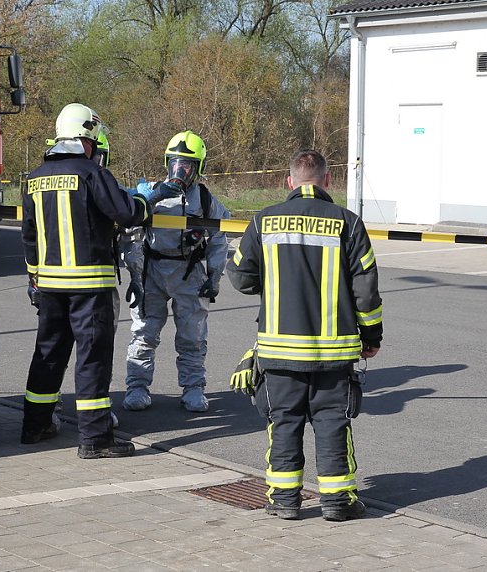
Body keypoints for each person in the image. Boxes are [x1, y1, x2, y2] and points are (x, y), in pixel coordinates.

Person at [226, 149, 383, 521]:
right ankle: (337, 502)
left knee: (283, 422)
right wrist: (371, 337)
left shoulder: (264, 221)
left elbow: (240, 277)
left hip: (278, 349)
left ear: (289, 181)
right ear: (328, 181)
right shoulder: (348, 222)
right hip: (335, 351)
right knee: (332, 421)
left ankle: (283, 500)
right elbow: (367, 291)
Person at [21, 103, 179, 458]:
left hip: (48, 286)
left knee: (48, 354)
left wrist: (33, 277)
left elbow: (29, 236)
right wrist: (145, 197)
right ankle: (95, 439)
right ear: (86, 137)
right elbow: (128, 214)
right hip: (89, 286)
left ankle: (35, 424)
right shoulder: (92, 174)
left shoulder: (34, 178)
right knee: (91, 360)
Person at [122, 130, 230, 413]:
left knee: (192, 336)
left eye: (187, 165)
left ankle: (194, 388)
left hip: (188, 272)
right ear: (166, 163)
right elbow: (129, 230)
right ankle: (137, 387)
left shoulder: (205, 201)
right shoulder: (151, 194)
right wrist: (134, 275)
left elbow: (220, 238)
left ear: (198, 168)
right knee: (144, 333)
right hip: (151, 272)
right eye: (175, 163)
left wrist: (214, 278)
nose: (180, 171)